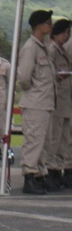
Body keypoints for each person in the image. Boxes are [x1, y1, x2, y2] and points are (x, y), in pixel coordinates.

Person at [17, 9, 57, 194]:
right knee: (34, 141)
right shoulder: (31, 47)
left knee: (44, 143)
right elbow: (24, 77)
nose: (50, 25)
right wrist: (35, 90)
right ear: (39, 25)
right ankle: (29, 176)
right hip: (35, 103)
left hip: (45, 103)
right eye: (48, 22)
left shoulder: (43, 46)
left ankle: (40, 174)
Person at [46, 18, 72, 189]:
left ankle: (63, 169)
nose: (67, 36)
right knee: (54, 139)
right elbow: (48, 74)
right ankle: (52, 171)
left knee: (65, 139)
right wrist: (59, 75)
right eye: (65, 33)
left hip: (66, 100)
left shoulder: (63, 51)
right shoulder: (52, 50)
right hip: (56, 100)